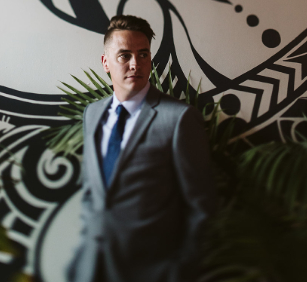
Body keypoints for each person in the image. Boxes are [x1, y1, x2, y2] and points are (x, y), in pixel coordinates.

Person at [67, 15, 218, 282]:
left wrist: (179, 270)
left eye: (143, 54)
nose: (135, 64)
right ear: (106, 63)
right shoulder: (92, 114)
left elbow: (201, 206)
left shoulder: (179, 119)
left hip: (153, 271)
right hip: (92, 266)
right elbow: (93, 191)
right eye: (124, 55)